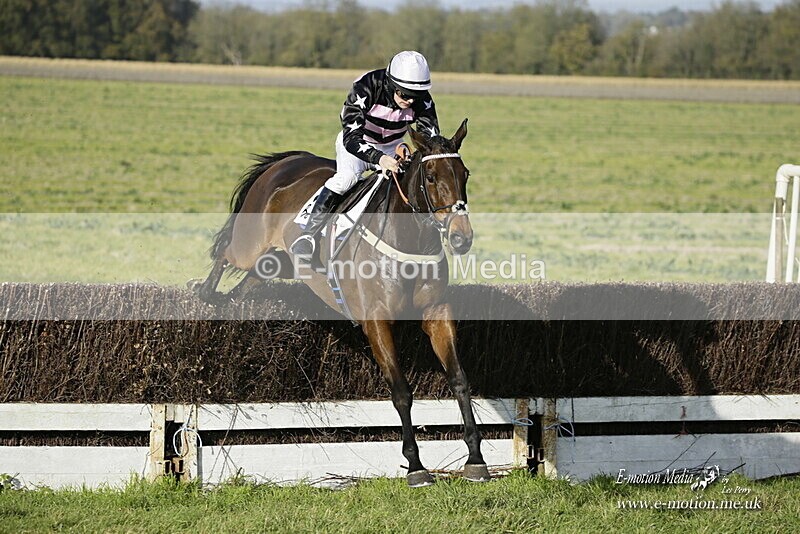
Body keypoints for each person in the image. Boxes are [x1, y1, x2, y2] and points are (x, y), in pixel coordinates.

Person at [290, 50, 441, 260]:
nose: (409, 101)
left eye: (415, 96)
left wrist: (409, 152)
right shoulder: (366, 86)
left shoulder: (422, 100)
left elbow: (430, 142)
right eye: (404, 94)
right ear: (390, 83)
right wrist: (378, 158)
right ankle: (308, 234)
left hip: (392, 146)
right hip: (358, 143)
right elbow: (351, 137)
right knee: (347, 179)